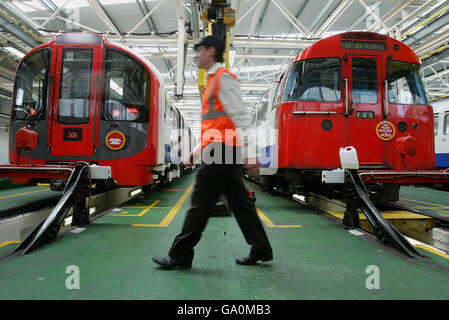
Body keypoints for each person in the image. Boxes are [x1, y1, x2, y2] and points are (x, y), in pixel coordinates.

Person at [152, 35, 273, 269]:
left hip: (222, 152)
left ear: (211, 51)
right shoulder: (212, 82)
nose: (196, 55)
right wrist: (197, 151)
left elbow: (241, 117)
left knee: (200, 203)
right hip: (219, 151)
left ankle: (180, 254)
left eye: (199, 51)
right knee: (240, 203)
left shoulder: (222, 79)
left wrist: (250, 155)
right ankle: (261, 248)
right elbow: (212, 125)